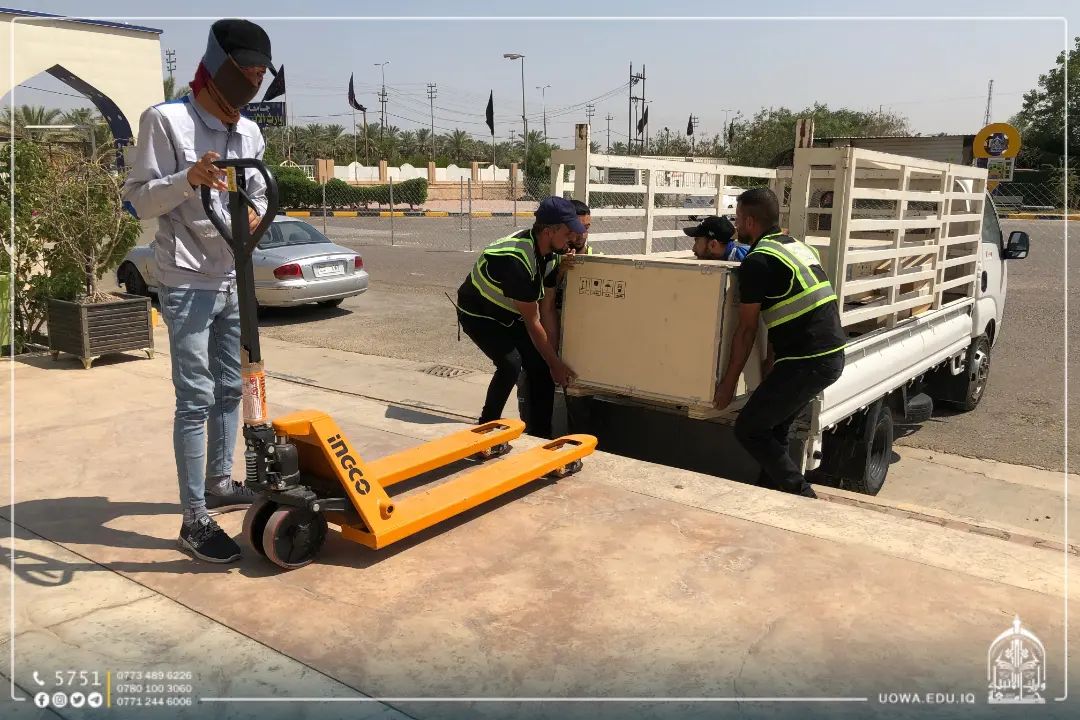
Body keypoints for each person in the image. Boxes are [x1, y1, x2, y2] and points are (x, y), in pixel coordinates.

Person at [122, 19, 276, 563]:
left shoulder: (250, 133)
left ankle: (219, 482)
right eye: (247, 71)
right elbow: (138, 200)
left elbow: (257, 193)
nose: (254, 81)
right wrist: (186, 178)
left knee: (232, 388)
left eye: (260, 74)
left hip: (234, 275)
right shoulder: (166, 121)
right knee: (196, 398)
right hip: (187, 279)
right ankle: (193, 520)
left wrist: (255, 214)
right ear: (217, 68)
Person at [713, 188, 846, 499]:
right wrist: (772, 359)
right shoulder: (798, 247)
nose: (735, 225)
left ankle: (802, 495)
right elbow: (789, 306)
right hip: (829, 354)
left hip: (807, 360)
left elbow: (746, 330)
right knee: (775, 428)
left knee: (749, 428)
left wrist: (728, 383)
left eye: (737, 218)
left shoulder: (758, 261)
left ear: (749, 221)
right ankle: (771, 493)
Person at [456, 196, 582, 439]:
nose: (572, 239)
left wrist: (552, 361)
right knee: (510, 364)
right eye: (568, 233)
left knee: (540, 365)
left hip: (509, 314)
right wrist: (556, 365)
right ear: (549, 231)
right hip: (479, 314)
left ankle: (541, 434)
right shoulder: (516, 260)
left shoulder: (552, 252)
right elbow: (533, 322)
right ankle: (486, 426)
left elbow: (545, 304)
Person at [516, 199, 592, 423]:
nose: (581, 235)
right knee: (536, 383)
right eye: (576, 229)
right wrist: (559, 272)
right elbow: (544, 303)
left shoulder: (596, 257)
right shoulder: (552, 256)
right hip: (548, 335)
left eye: (586, 228)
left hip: (579, 341)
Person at [683, 214, 749, 261]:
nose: (693, 249)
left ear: (713, 245)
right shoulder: (729, 259)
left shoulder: (747, 263)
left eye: (696, 241)